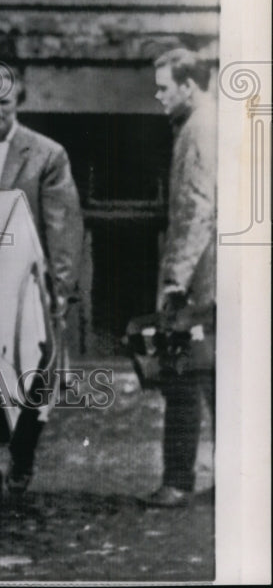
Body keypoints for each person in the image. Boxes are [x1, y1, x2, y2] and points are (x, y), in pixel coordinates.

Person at [0, 58, 84, 504]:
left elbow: (63, 225)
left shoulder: (47, 154)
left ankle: (23, 457)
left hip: (27, 285)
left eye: (4, 102)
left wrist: (60, 290)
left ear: (17, 103)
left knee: (31, 377)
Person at [139, 47, 216, 508]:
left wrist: (174, 281)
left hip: (200, 281)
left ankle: (177, 480)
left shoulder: (198, 129)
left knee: (183, 379)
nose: (158, 95)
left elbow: (195, 208)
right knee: (217, 381)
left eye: (165, 87)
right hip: (220, 279)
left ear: (188, 86)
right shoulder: (216, 121)